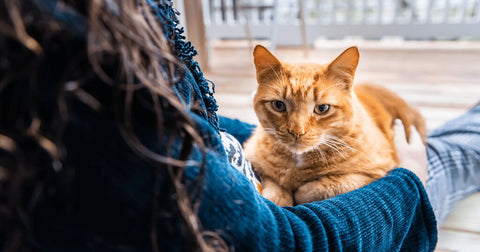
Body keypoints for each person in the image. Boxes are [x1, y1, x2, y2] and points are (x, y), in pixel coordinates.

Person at [0, 0, 478, 251]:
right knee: (454, 154)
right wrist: (410, 179)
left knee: (454, 141)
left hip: (370, 144)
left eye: (319, 112)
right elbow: (286, 242)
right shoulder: (83, 112)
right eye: (278, 111)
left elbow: (184, 127)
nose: (294, 128)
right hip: (338, 217)